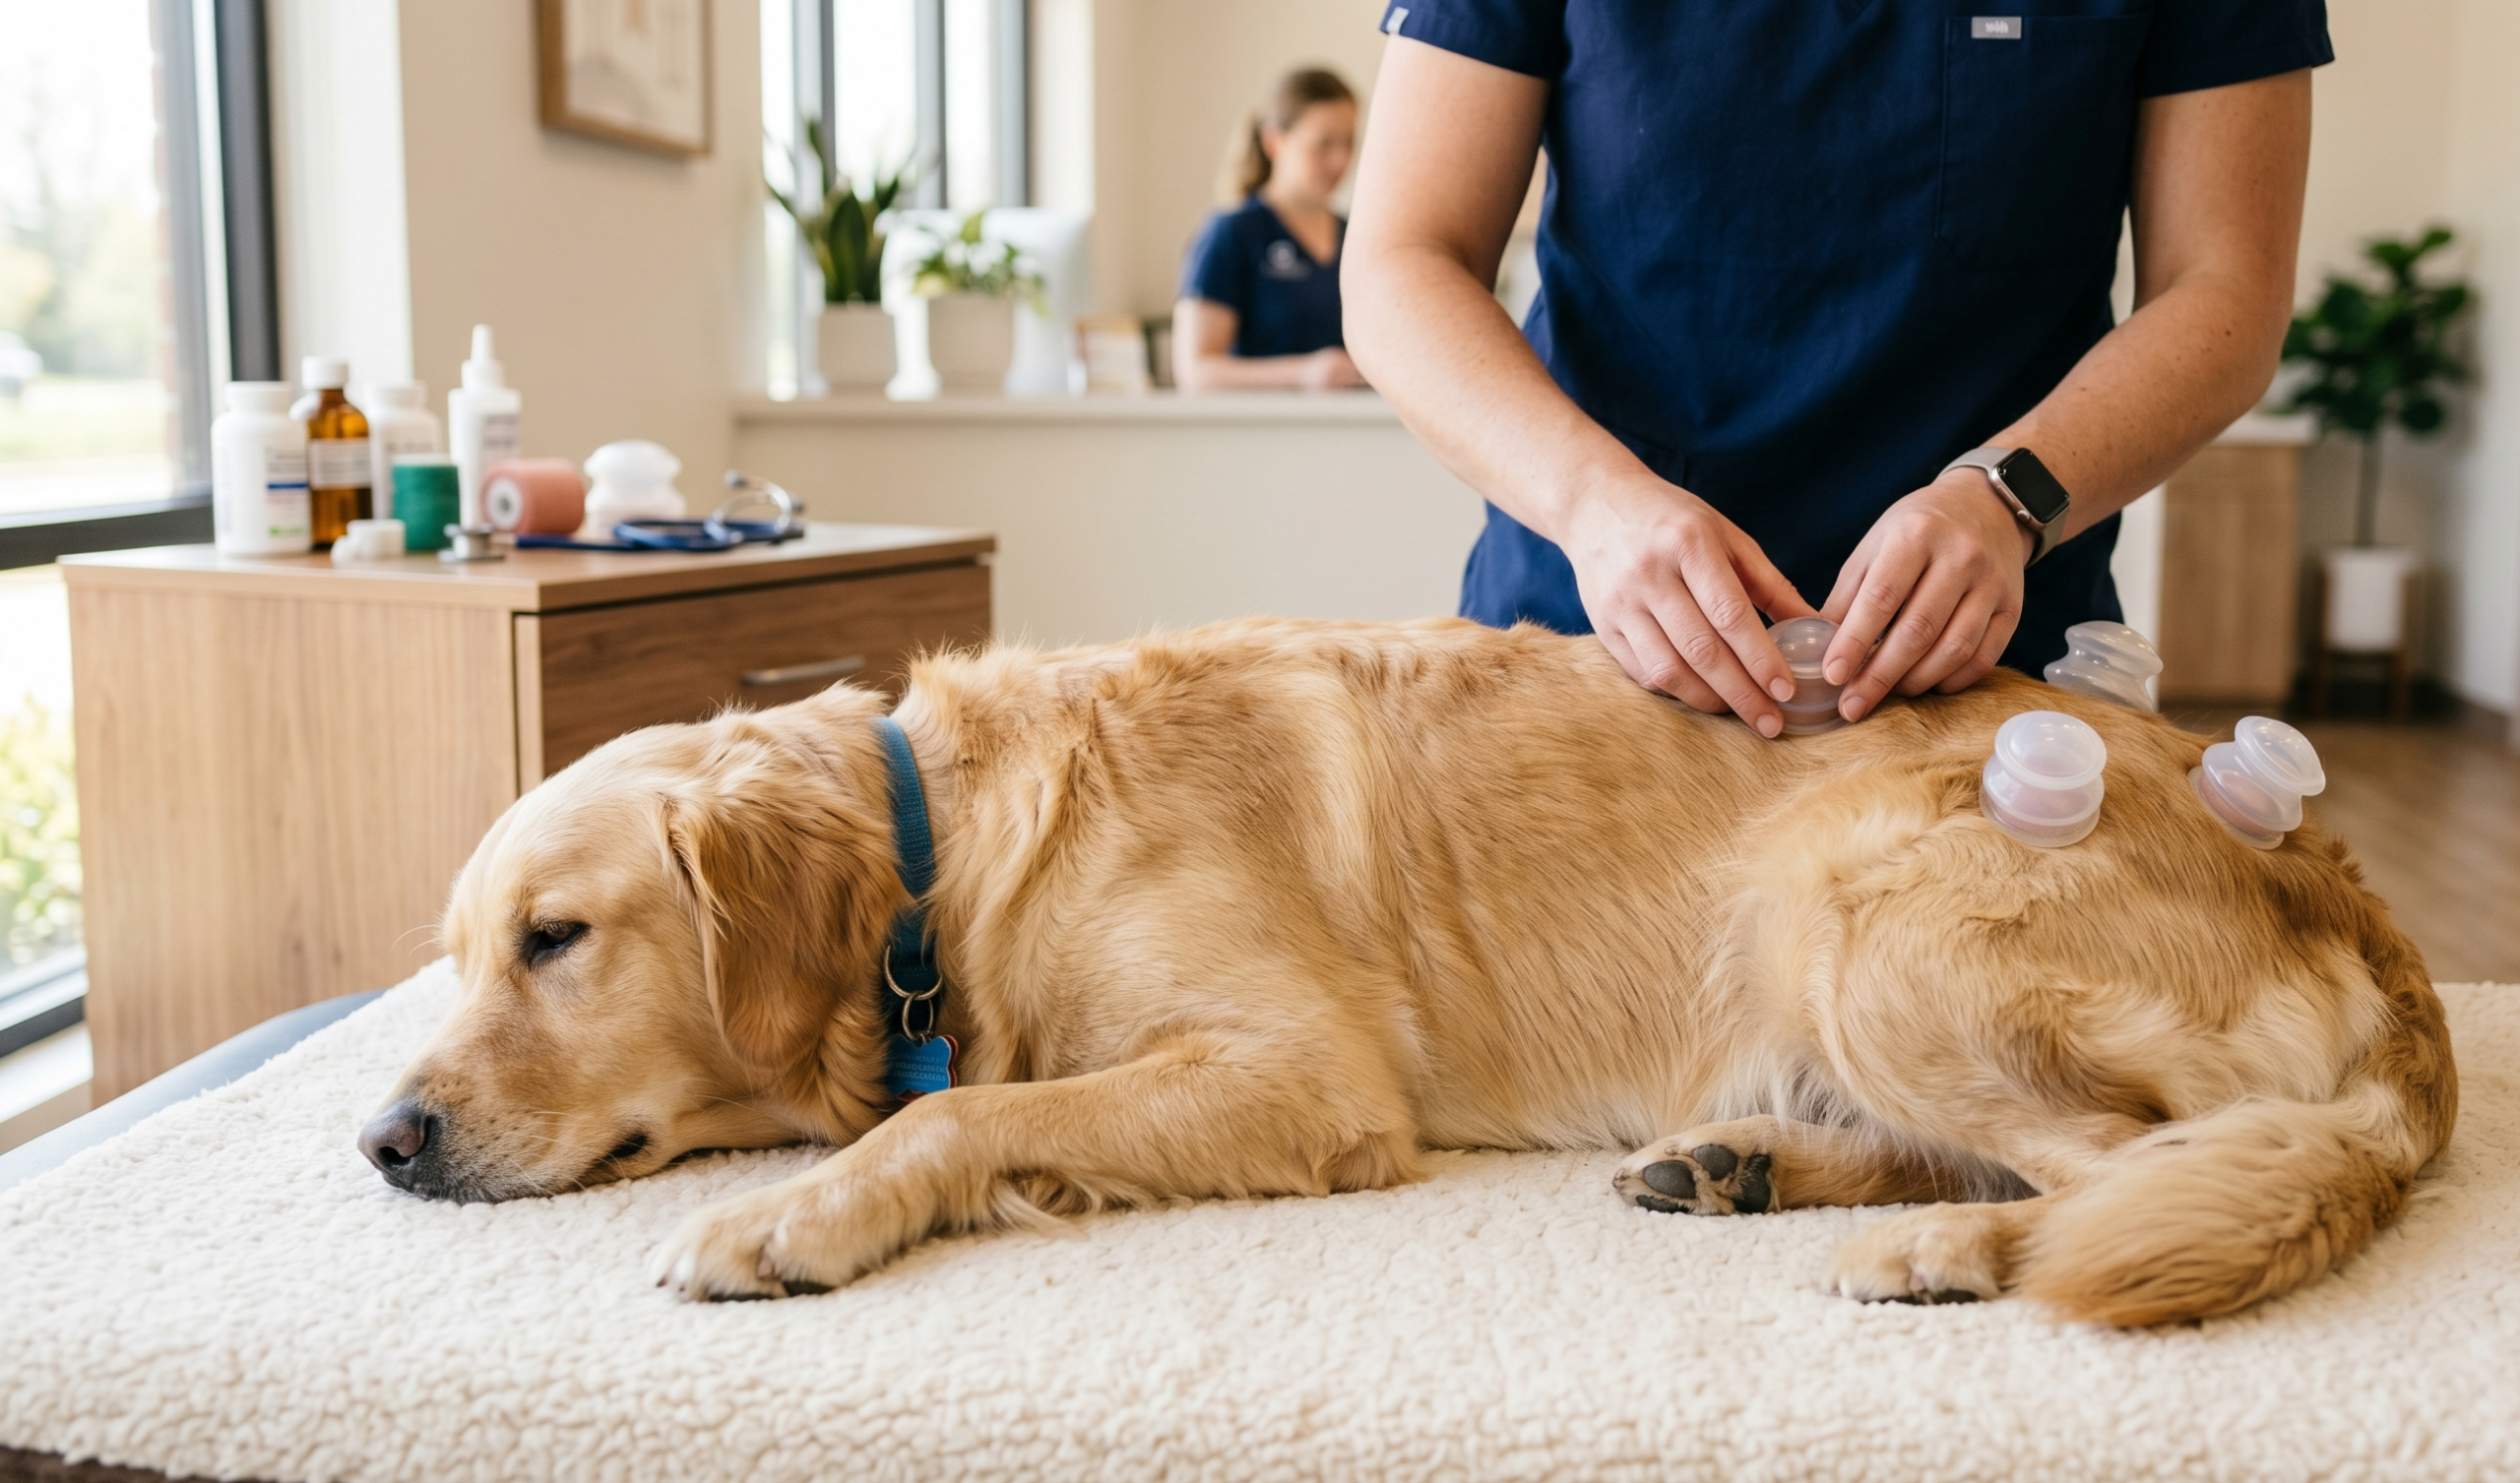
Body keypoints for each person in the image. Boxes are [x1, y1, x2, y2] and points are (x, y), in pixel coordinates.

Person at [1343, 4, 2323, 737]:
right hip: (1591, 639)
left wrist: (2007, 499)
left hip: (1985, 667)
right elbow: (1401, 261)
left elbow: (2224, 290)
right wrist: (1595, 506)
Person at [1174, 68, 1369, 393]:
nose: (1340, 161)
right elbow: (1196, 372)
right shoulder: (1232, 233)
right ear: (1275, 141)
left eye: (1348, 143)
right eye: (1323, 144)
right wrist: (1304, 374)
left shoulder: (1357, 237)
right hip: (1261, 436)